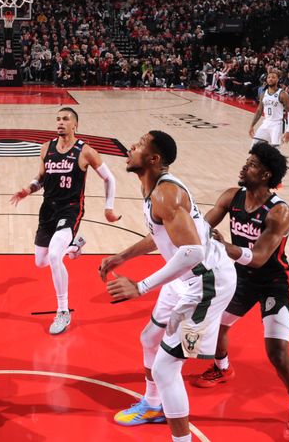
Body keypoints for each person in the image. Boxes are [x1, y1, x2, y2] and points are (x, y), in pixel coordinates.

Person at [100, 130, 236, 442]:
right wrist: (123, 256)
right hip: (186, 277)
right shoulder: (155, 192)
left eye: (137, 145)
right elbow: (163, 235)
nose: (130, 148)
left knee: (165, 369)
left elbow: (192, 251)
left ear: (154, 159)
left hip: (207, 283)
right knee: (149, 337)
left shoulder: (166, 194)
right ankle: (152, 405)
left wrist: (141, 286)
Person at [191, 143, 289, 441]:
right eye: (247, 160)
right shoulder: (232, 196)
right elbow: (202, 228)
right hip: (240, 277)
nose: (245, 166)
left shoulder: (280, 212)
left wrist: (218, 245)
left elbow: (258, 258)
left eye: (253, 164)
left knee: (276, 352)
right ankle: (223, 368)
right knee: (216, 325)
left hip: (273, 282)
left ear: (266, 174)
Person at [10, 107, 120, 335]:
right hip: (47, 210)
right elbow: (41, 178)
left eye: (66, 119)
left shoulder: (85, 151)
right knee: (41, 262)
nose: (60, 122)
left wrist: (108, 208)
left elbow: (109, 178)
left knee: (53, 255)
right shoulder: (46, 148)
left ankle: (62, 311)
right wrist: (27, 190)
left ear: (75, 125)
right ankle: (74, 244)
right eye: (58, 119)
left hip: (70, 210)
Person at [249, 70, 289, 149]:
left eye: (273, 77)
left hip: (277, 124)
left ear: (277, 80)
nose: (270, 79)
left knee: (275, 152)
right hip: (266, 123)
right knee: (254, 147)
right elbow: (259, 111)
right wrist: (252, 125)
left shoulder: (283, 94)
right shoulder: (263, 94)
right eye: (269, 77)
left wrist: (288, 130)